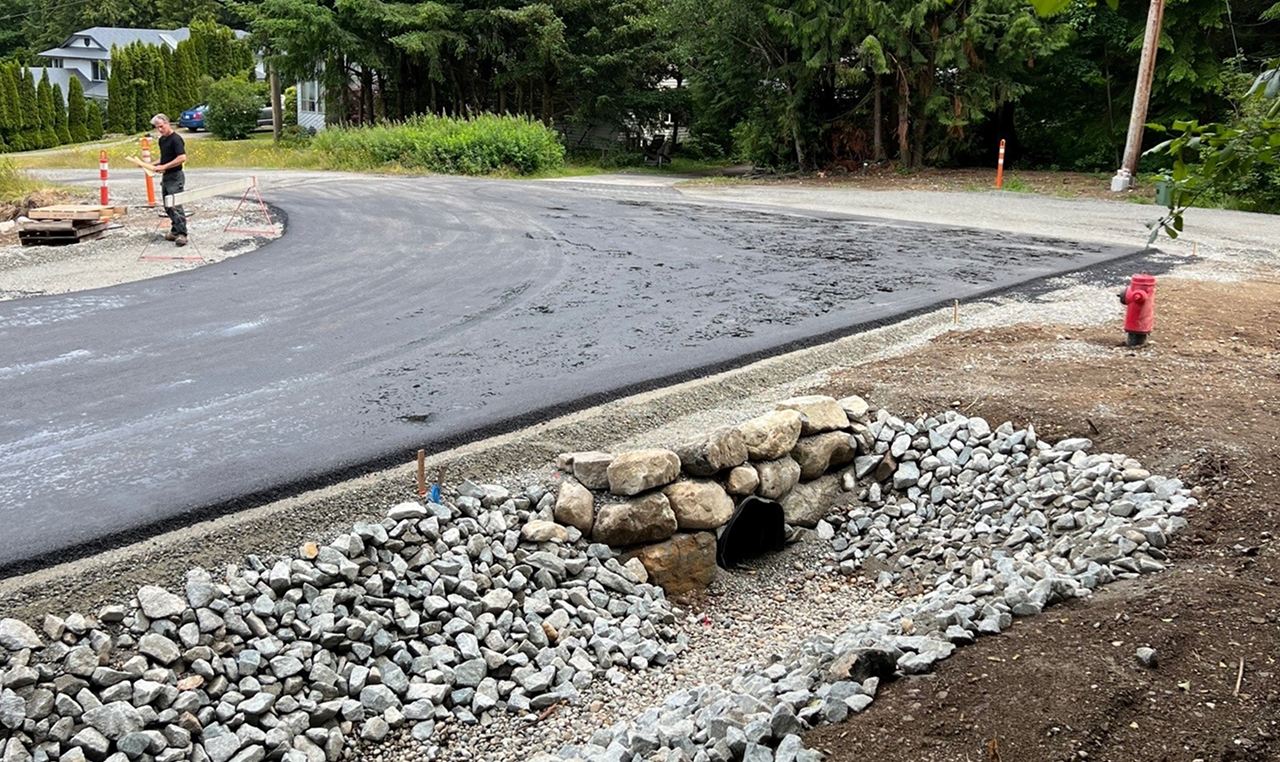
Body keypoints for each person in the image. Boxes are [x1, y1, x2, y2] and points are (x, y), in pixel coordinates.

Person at [146, 114, 189, 247]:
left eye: (161, 126)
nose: (159, 130)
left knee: (175, 204)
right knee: (167, 205)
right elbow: (165, 158)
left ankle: (182, 234)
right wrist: (153, 165)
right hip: (167, 177)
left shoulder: (176, 139)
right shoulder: (162, 140)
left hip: (176, 176)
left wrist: (164, 166)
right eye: (157, 128)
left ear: (167, 123)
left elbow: (181, 157)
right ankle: (175, 231)